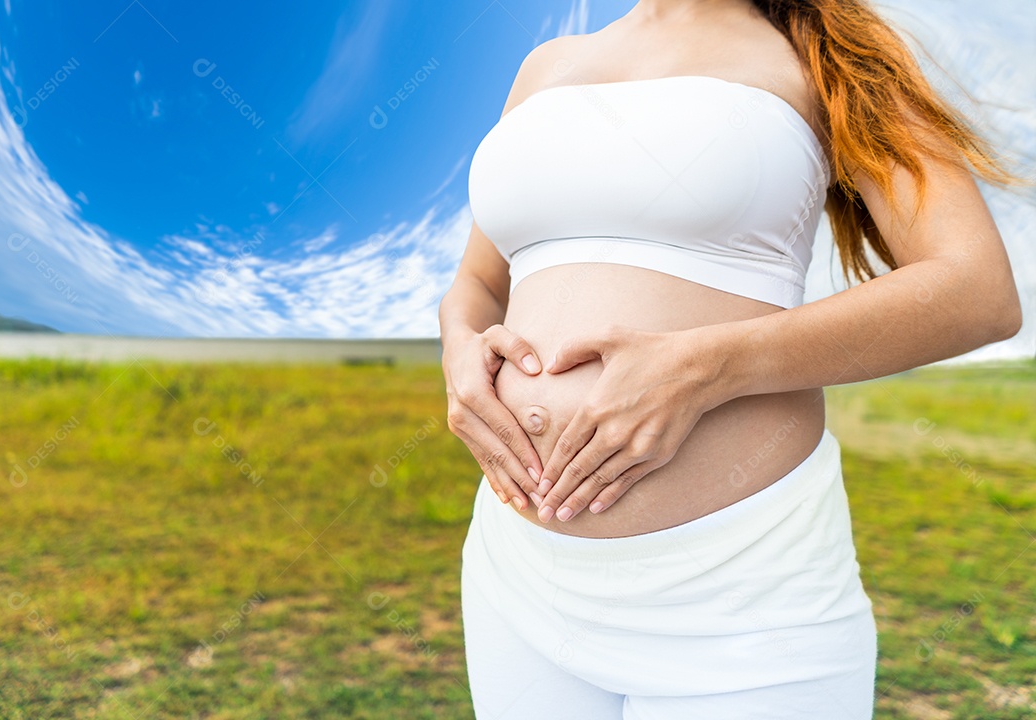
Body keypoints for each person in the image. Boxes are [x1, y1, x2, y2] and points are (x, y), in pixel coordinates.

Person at [438, 0, 1027, 717]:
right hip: (516, 573)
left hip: (746, 593)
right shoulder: (546, 66)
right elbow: (478, 283)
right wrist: (460, 350)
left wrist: (706, 366)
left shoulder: (828, 52)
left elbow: (976, 290)